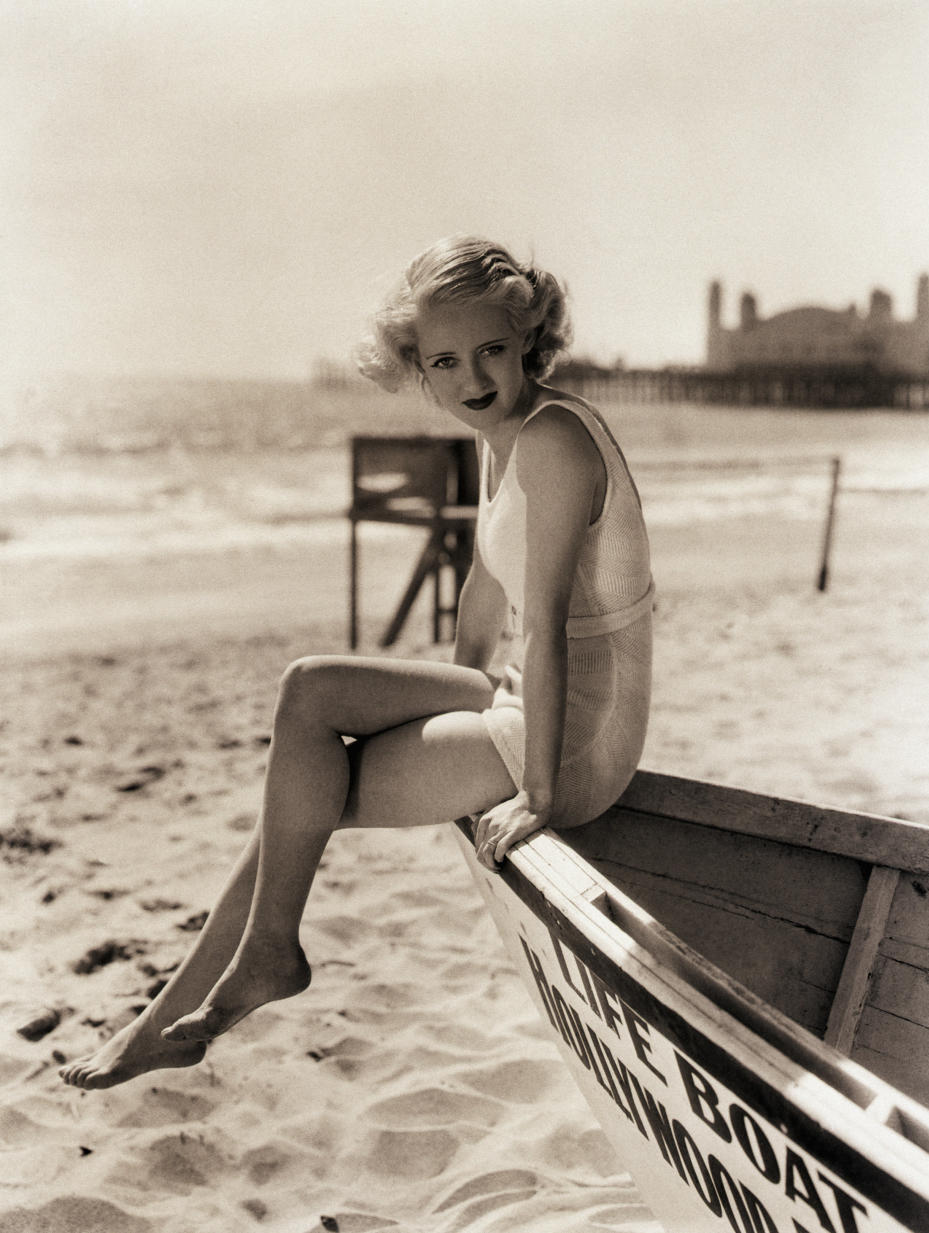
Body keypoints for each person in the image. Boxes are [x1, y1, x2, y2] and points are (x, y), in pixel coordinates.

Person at [59, 235, 654, 1090]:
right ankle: (230, 974)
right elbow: (487, 587)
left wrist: (541, 796)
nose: (472, 378)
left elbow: (549, 624)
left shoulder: (553, 441)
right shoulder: (504, 431)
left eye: (491, 350)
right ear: (417, 366)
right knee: (310, 693)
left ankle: (218, 987)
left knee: (304, 801)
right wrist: (448, 695)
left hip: (577, 741)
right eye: (444, 361)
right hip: (531, 698)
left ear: (527, 336)